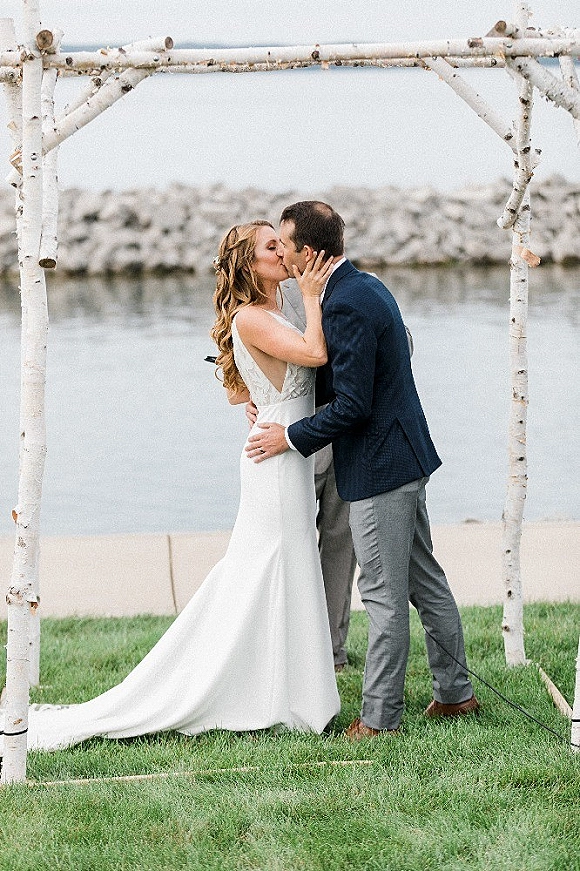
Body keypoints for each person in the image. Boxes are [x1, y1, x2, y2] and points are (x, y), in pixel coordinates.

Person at [9, 220, 340, 752]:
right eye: (270, 247)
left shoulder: (271, 312)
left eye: (281, 243)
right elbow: (315, 356)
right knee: (268, 566)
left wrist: (262, 401)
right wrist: (312, 294)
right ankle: (266, 693)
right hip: (275, 462)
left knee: (282, 565)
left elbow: (240, 390)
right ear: (249, 265)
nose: (283, 252)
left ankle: (287, 691)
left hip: (284, 448)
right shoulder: (252, 316)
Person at [246, 201, 479, 740]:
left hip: (380, 468)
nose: (282, 254)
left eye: (286, 245)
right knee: (425, 581)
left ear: (308, 253)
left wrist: (289, 436)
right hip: (403, 458)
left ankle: (379, 719)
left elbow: (353, 406)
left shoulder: (345, 303)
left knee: (383, 596)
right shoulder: (362, 285)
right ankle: (455, 695)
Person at [246, 278, 357, 673]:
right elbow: (236, 358)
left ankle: (330, 653)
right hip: (282, 438)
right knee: (280, 541)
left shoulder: (357, 287)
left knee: (340, 542)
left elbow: (399, 343)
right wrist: (254, 399)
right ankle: (273, 646)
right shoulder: (264, 297)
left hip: (344, 432)